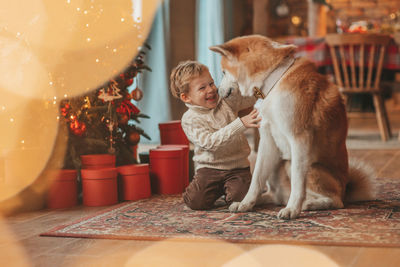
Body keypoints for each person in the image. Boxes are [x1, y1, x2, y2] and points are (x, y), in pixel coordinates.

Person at [169, 60, 261, 210]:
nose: (211, 90)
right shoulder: (189, 119)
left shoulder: (226, 102)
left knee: (242, 200)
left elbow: (250, 99)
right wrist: (240, 124)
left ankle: (232, 190)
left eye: (211, 83)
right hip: (208, 168)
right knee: (195, 203)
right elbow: (210, 143)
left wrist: (261, 89)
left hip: (237, 167)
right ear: (186, 97)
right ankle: (213, 190)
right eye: (202, 88)